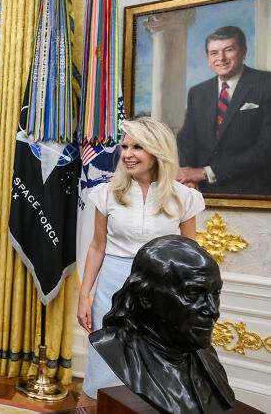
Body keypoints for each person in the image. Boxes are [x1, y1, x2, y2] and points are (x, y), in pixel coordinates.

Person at [76, 117, 205, 405]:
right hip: (112, 287)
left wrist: (186, 304)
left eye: (137, 147)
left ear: (158, 151)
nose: (127, 154)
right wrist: (85, 295)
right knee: (103, 367)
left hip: (162, 293)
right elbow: (97, 246)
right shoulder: (106, 193)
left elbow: (189, 256)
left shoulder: (184, 197)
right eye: (125, 147)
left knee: (155, 369)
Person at [90, 235, 234, 413]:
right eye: (192, 295)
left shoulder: (205, 353)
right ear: (145, 296)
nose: (213, 311)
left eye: (215, 294)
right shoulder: (114, 348)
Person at [176, 25, 271, 195]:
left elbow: (266, 149)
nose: (221, 58)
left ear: (243, 52)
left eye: (228, 50)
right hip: (201, 191)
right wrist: (187, 177)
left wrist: (205, 172)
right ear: (208, 58)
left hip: (253, 192)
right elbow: (187, 141)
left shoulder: (266, 84)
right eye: (214, 53)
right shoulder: (198, 92)